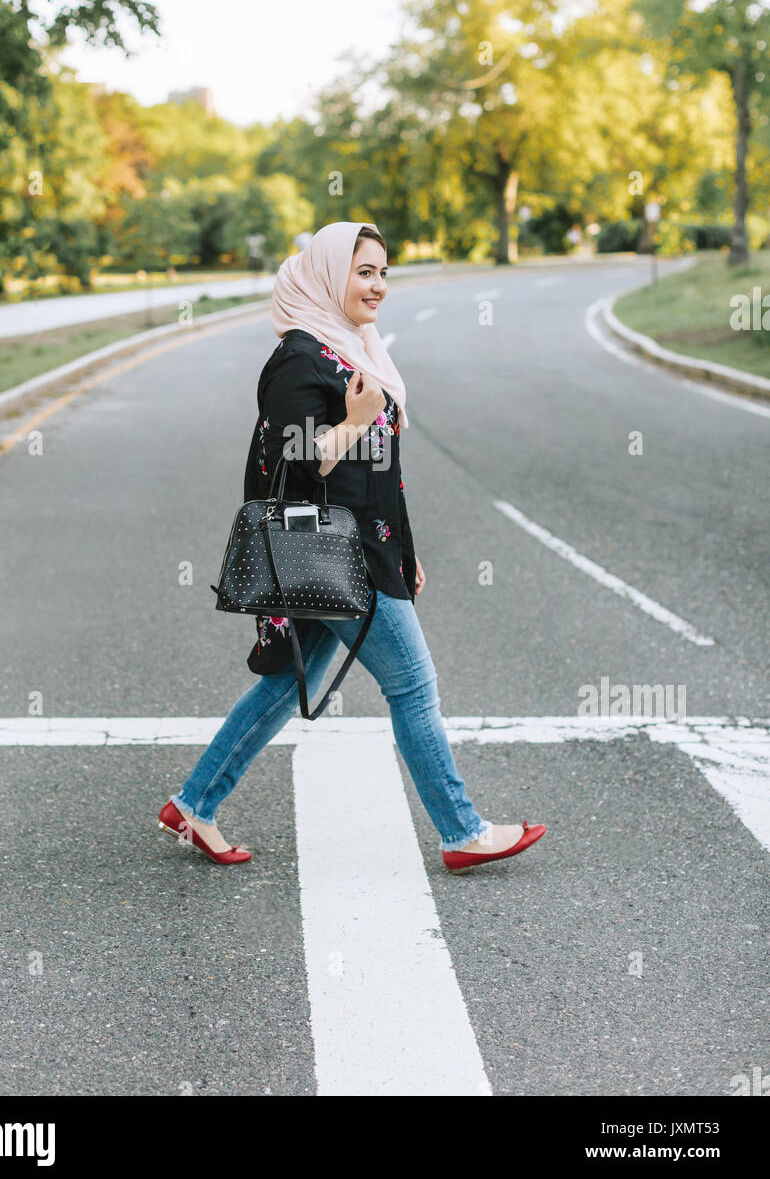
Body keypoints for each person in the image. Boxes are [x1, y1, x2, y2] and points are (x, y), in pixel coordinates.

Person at [159, 221, 546, 873]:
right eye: (363, 271)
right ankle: (462, 831)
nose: (378, 286)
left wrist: (406, 550)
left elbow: (379, 473)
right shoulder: (300, 359)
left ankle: (193, 803)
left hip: (364, 550)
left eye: (384, 273)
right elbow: (292, 466)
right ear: (327, 273)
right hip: (335, 555)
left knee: (289, 684)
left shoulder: (353, 350)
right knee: (414, 687)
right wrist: (354, 423)